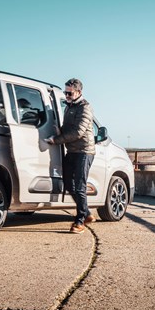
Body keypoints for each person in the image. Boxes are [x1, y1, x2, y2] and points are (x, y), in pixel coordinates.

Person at [44, 78, 96, 234]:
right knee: (67, 184)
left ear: (79, 92)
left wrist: (56, 140)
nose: (66, 95)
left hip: (84, 152)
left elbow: (78, 132)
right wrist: (58, 130)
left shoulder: (85, 107)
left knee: (80, 186)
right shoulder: (69, 106)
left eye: (69, 93)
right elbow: (68, 127)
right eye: (65, 93)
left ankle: (80, 221)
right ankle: (86, 213)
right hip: (72, 151)